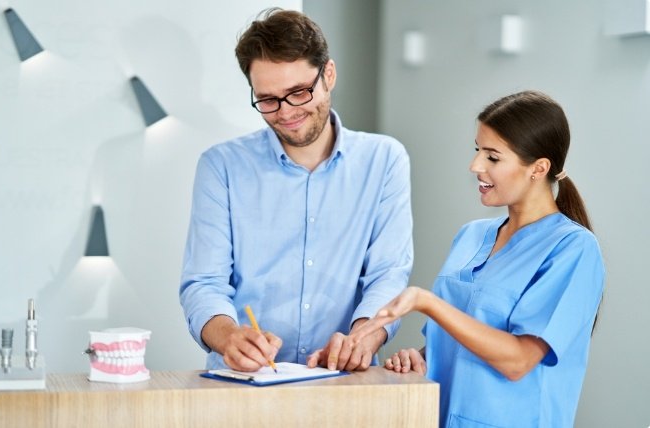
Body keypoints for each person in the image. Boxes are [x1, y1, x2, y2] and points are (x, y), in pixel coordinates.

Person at [350, 90, 604, 427]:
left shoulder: (573, 250)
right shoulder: (471, 236)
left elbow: (518, 361)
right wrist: (420, 360)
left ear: (538, 168)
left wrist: (427, 302)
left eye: (493, 157)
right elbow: (455, 346)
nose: (475, 166)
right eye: (477, 150)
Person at [179, 8, 413, 372]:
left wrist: (362, 337)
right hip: (244, 382)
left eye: (299, 93)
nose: (285, 112)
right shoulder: (221, 166)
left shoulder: (384, 160)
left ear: (328, 75)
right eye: (268, 100)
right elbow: (204, 283)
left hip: (343, 379)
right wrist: (228, 337)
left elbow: (388, 274)